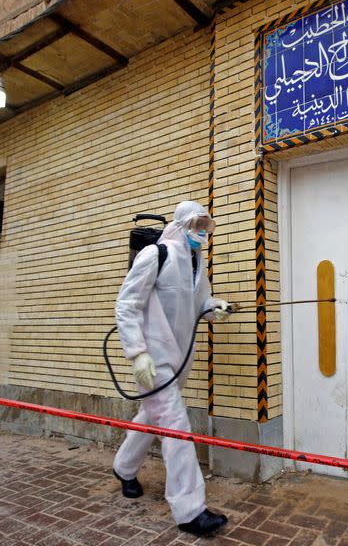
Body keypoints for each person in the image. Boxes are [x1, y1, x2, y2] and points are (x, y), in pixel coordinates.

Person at [112, 201, 231, 537]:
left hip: (179, 360)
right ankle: (190, 510)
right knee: (176, 426)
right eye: (196, 226)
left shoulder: (197, 264)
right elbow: (127, 304)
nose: (201, 234)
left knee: (151, 417)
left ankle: (123, 468)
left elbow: (198, 305)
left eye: (205, 227)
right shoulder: (156, 254)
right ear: (181, 225)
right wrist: (137, 354)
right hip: (154, 359)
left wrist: (215, 307)